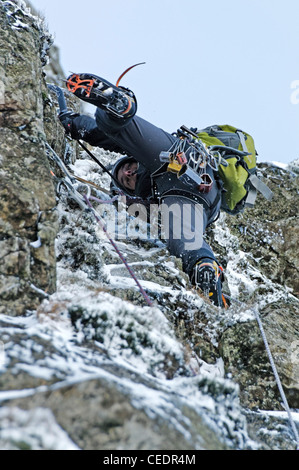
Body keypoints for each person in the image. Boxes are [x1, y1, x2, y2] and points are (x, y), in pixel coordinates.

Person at [59, 72, 226, 307]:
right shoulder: (148, 203)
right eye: (126, 180)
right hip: (190, 200)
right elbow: (147, 215)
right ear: (132, 191)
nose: (128, 173)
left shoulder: (147, 157)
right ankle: (204, 271)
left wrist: (74, 124)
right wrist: (123, 203)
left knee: (116, 129)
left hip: (176, 157)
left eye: (127, 167)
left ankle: (116, 105)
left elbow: (105, 138)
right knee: (182, 241)